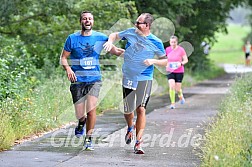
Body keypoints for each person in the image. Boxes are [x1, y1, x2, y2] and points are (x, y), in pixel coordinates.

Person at [103, 13, 167, 154]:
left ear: (147, 26)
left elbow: (165, 61)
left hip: (145, 78)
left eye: (139, 23)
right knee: (128, 109)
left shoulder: (156, 42)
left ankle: (138, 142)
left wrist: (154, 61)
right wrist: (110, 41)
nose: (136, 25)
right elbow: (114, 35)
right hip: (129, 76)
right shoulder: (130, 33)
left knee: (141, 109)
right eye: (136, 22)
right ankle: (130, 127)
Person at [60, 11, 123, 151]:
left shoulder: (100, 37)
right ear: (80, 21)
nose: (87, 21)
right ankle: (81, 123)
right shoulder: (72, 38)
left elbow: (115, 51)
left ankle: (88, 139)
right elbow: (63, 57)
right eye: (84, 19)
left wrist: (128, 52)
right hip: (77, 79)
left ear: (93, 21)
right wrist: (68, 69)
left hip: (94, 79)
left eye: (90, 19)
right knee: (80, 113)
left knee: (91, 110)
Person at [166, 35, 188, 109]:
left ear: (177, 42)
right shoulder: (167, 49)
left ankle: (180, 96)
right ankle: (172, 103)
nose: (173, 43)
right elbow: (164, 59)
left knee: (178, 88)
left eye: (174, 42)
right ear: (169, 42)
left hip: (179, 71)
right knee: (172, 85)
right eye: (171, 42)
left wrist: (180, 63)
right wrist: (166, 64)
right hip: (170, 70)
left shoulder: (181, 50)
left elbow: (186, 60)